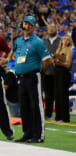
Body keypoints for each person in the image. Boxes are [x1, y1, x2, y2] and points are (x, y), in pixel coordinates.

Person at [12, 15, 53, 143]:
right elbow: (16, 56)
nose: (27, 26)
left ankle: (38, 135)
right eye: (26, 23)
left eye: (30, 24)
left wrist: (38, 71)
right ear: (22, 24)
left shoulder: (38, 42)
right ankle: (27, 133)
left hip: (33, 77)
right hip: (21, 78)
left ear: (34, 27)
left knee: (36, 105)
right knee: (24, 106)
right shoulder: (18, 41)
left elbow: (48, 60)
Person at [42, 24, 60, 120]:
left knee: (58, 94)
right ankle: (47, 114)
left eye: (53, 28)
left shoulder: (61, 40)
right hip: (46, 72)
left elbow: (64, 54)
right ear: (47, 30)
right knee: (48, 95)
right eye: (49, 28)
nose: (51, 29)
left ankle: (59, 115)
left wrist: (56, 59)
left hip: (58, 72)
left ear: (56, 29)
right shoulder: (43, 41)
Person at [53, 35, 73, 122]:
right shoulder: (58, 50)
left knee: (63, 95)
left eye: (68, 39)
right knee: (57, 95)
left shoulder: (69, 51)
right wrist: (55, 62)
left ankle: (65, 118)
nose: (66, 40)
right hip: (57, 72)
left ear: (70, 42)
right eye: (64, 39)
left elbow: (68, 64)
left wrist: (59, 62)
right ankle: (58, 117)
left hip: (64, 73)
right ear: (61, 40)